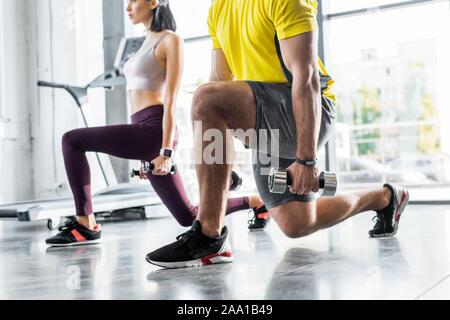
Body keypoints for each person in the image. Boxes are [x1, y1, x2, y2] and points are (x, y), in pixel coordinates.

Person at [145, 0, 410, 268]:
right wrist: (218, 163)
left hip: (308, 112)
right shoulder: (219, 8)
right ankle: (386, 198)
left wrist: (307, 160)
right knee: (296, 224)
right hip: (266, 118)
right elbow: (220, 81)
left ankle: (209, 237)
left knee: (206, 97)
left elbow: (305, 77)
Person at [45, 0, 269, 247]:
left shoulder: (170, 40)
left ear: (153, 2)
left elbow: (171, 101)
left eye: (133, 1)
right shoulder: (143, 45)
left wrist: (166, 152)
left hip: (155, 129)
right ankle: (256, 201)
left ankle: (85, 224)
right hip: (142, 133)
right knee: (189, 216)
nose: (128, 7)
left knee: (72, 140)